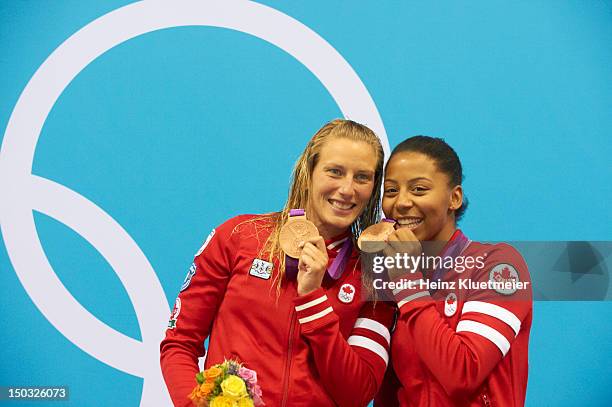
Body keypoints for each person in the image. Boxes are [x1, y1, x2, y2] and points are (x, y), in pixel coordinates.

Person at [161, 119, 395, 407]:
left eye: (362, 177)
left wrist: (312, 299)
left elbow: (357, 393)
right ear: (308, 172)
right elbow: (179, 342)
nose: (347, 189)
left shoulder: (375, 275)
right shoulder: (239, 237)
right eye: (335, 171)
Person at [374, 136, 532, 406]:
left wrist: (407, 281)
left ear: (454, 198)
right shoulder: (391, 279)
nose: (401, 202)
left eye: (419, 189)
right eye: (390, 191)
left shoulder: (497, 265)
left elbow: (463, 373)